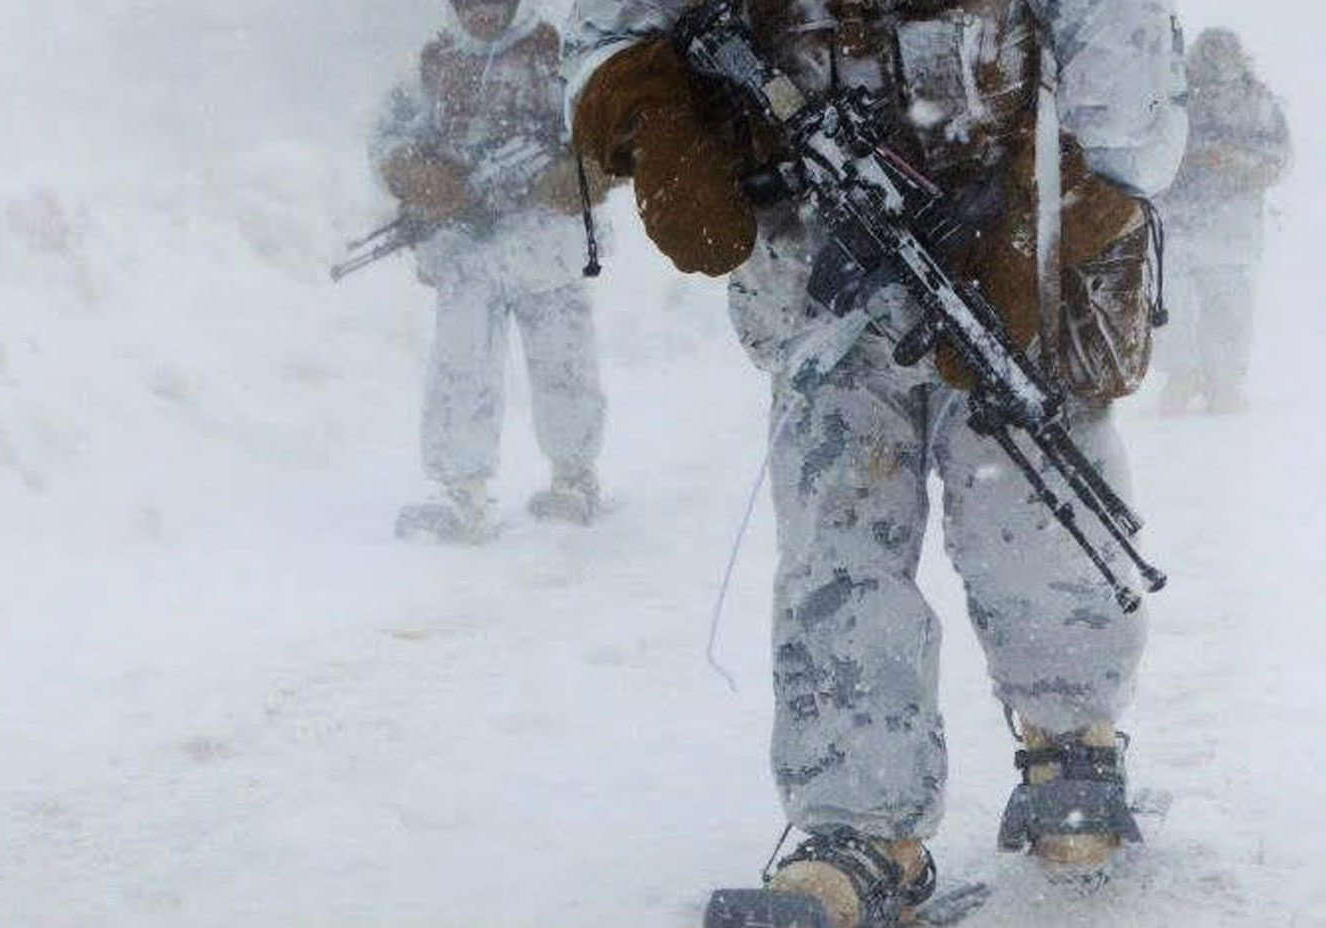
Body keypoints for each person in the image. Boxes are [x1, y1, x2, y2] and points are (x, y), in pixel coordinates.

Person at [563, 1, 1185, 924]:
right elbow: (608, 32)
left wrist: (1075, 199)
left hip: (1008, 233)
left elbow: (1115, 26)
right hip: (815, 267)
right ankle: (861, 823)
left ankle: (1072, 741)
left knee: (1035, 515)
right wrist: (644, 110)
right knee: (837, 548)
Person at [376, 0, 609, 544]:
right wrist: (416, 174)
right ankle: (461, 488)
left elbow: (604, 131)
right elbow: (389, 136)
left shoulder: (554, 52)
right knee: (461, 365)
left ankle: (574, 475)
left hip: (546, 241)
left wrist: (576, 175)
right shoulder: (432, 60)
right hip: (466, 244)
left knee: (563, 363)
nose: (481, 12)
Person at [1156, 28, 1292, 416]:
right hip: (1179, 220)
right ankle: (1181, 376)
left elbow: (1279, 158)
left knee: (1228, 305)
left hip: (1232, 225)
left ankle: (1224, 381)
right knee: (1172, 307)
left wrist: (1236, 161)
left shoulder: (1258, 103)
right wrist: (1189, 160)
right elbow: (1158, 148)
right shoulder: (1176, 99)